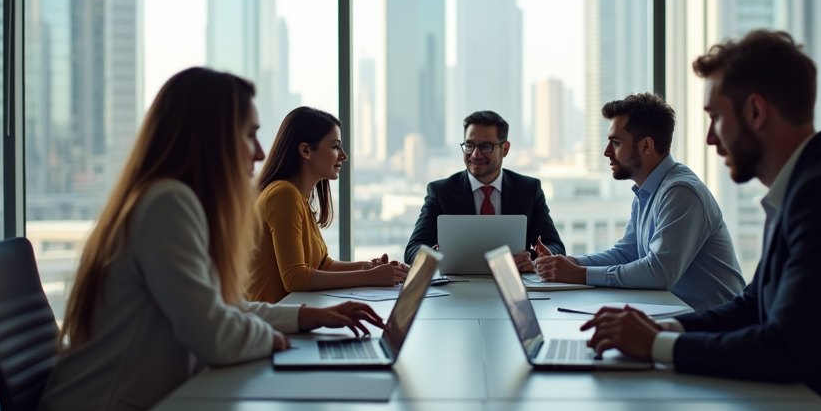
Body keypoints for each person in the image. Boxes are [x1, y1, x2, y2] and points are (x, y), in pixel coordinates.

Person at [583, 31, 821, 411]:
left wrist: (656, 346)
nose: (709, 137)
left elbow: (783, 350)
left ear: (755, 112)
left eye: (716, 117)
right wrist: (664, 329)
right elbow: (752, 305)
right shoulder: (801, 187)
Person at [34, 69, 384, 411]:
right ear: (210, 135)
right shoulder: (167, 204)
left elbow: (223, 306)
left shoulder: (177, 201)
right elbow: (215, 334)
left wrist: (308, 317)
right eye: (248, 135)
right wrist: (273, 338)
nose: (258, 153)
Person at [535, 93, 744, 311]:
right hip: (677, 317)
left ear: (646, 146)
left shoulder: (681, 191)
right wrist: (569, 263)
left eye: (615, 143)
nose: (607, 152)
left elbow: (659, 272)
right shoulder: (647, 191)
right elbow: (627, 253)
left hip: (716, 330)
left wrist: (579, 274)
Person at [248, 107, 407, 303]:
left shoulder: (300, 197)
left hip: (290, 313)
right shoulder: (283, 195)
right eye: (335, 147)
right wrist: (372, 277)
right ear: (306, 150)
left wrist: (370, 268)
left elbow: (323, 265)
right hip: (272, 323)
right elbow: (295, 279)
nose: (343, 156)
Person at [404, 110, 564, 271]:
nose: (475, 154)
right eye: (469, 145)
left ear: (505, 149)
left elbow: (555, 246)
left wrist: (532, 258)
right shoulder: (441, 192)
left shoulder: (528, 189)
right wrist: (434, 256)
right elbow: (413, 250)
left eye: (485, 146)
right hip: (456, 287)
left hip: (515, 283)